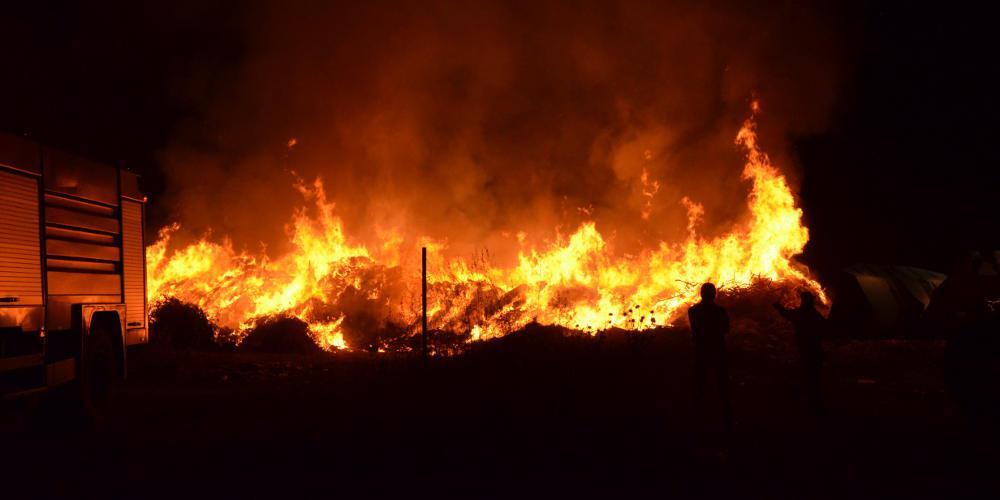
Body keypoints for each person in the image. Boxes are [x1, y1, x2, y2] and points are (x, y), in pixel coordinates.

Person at [688, 282, 733, 431]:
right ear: (714, 294)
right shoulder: (720, 311)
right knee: (722, 383)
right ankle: (727, 415)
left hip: (701, 349)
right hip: (717, 349)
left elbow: (695, 329)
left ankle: (697, 414)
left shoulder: (693, 311)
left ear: (701, 294)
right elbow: (726, 329)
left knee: (700, 382)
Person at [774, 291, 826, 413]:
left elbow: (789, 315)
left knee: (809, 374)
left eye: (803, 299)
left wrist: (779, 308)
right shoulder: (814, 314)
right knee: (814, 375)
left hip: (807, 348)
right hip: (814, 348)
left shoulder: (804, 314)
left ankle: (812, 403)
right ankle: (815, 401)